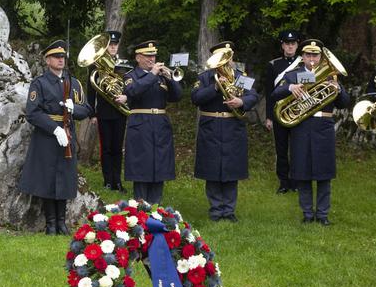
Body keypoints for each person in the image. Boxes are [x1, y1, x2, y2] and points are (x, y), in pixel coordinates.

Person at [270, 39, 350, 225]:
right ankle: (307, 214)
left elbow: (344, 103)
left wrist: (338, 89)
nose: (312, 58)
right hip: (301, 128)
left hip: (324, 128)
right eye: (308, 55)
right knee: (302, 172)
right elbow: (275, 94)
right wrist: (290, 88)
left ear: (321, 57)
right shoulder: (292, 75)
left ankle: (322, 215)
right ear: (302, 57)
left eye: (315, 55)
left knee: (324, 173)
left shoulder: (331, 77)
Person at [18, 40, 91, 235]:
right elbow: (33, 113)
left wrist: (74, 108)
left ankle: (62, 222)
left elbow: (87, 110)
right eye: (56, 57)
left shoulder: (73, 83)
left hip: (68, 132)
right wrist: (54, 129)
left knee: (65, 177)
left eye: (63, 57)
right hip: (47, 137)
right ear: (47, 60)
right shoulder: (39, 83)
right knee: (48, 178)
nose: (61, 60)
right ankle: (51, 223)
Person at [191, 41, 258, 222]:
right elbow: (196, 98)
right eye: (222, 57)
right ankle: (215, 210)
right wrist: (214, 87)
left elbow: (253, 95)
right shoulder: (204, 77)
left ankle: (229, 211)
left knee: (231, 169)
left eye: (229, 56)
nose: (226, 61)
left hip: (232, 127)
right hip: (211, 126)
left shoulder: (240, 76)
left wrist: (241, 102)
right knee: (212, 169)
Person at [122, 40, 182, 204]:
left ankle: (156, 209)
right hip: (140, 124)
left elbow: (177, 97)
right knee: (141, 167)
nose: (151, 59)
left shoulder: (161, 76)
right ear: (138, 58)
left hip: (160, 124)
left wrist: (170, 79)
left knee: (160, 165)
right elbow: (132, 91)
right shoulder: (130, 76)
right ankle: (140, 210)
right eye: (147, 56)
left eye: (153, 55)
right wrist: (152, 74)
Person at [86, 30, 129, 192]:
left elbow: (129, 87)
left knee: (118, 148)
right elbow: (91, 90)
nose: (112, 47)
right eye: (110, 45)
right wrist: (92, 113)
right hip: (103, 112)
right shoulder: (96, 65)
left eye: (115, 44)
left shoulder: (123, 64)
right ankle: (108, 181)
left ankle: (117, 181)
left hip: (120, 111)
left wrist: (127, 99)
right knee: (106, 147)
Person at [264, 30, 300, 193]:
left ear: (297, 45)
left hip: (300, 111)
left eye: (293, 43)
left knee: (298, 148)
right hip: (280, 113)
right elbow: (269, 92)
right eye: (287, 43)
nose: (290, 46)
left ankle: (297, 181)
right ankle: (284, 182)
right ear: (282, 45)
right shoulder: (273, 65)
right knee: (281, 149)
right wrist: (269, 117)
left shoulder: (303, 63)